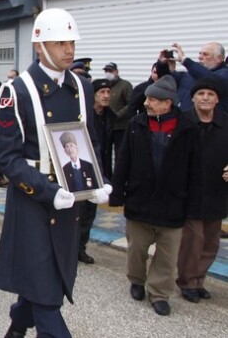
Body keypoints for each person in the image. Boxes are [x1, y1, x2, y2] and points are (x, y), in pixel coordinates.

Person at [0, 8, 110, 338]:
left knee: (50, 276)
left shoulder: (81, 87)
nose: (69, 50)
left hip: (71, 194)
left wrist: (95, 181)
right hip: (34, 199)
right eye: (60, 43)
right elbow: (8, 158)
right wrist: (48, 191)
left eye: (71, 42)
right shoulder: (15, 91)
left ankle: (17, 324)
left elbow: (91, 141)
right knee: (47, 295)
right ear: (39, 46)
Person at [109, 75, 201, 316]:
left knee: (167, 257)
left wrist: (192, 203)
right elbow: (123, 161)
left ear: (168, 103)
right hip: (140, 200)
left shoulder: (188, 130)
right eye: (147, 98)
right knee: (136, 250)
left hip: (173, 204)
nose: (147, 103)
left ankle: (159, 293)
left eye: (152, 99)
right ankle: (137, 280)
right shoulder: (136, 125)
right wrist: (118, 193)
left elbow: (195, 169)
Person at [177, 76, 227, 303]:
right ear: (193, 98)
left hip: (217, 192)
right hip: (190, 192)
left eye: (210, 94)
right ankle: (187, 282)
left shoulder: (225, 123)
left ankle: (199, 279)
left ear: (217, 99)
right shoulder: (183, 122)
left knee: (211, 242)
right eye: (201, 94)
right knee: (192, 241)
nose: (205, 98)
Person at [78, 78, 115, 265]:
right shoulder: (84, 116)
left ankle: (80, 248)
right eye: (102, 93)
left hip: (102, 170)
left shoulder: (111, 116)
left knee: (90, 213)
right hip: (83, 168)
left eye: (108, 92)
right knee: (79, 210)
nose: (106, 96)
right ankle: (70, 247)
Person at [171, 41, 228, 113]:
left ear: (219, 58)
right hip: (185, 120)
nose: (200, 57)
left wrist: (186, 61)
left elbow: (212, 80)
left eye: (205, 54)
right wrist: (164, 65)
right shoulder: (194, 71)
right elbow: (164, 80)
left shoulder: (224, 74)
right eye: (200, 53)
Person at [103, 62, 132, 158]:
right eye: (106, 71)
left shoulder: (125, 85)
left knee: (120, 153)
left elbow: (130, 104)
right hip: (107, 126)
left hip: (120, 127)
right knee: (105, 153)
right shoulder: (104, 85)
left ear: (116, 71)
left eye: (110, 71)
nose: (108, 73)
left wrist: (117, 115)